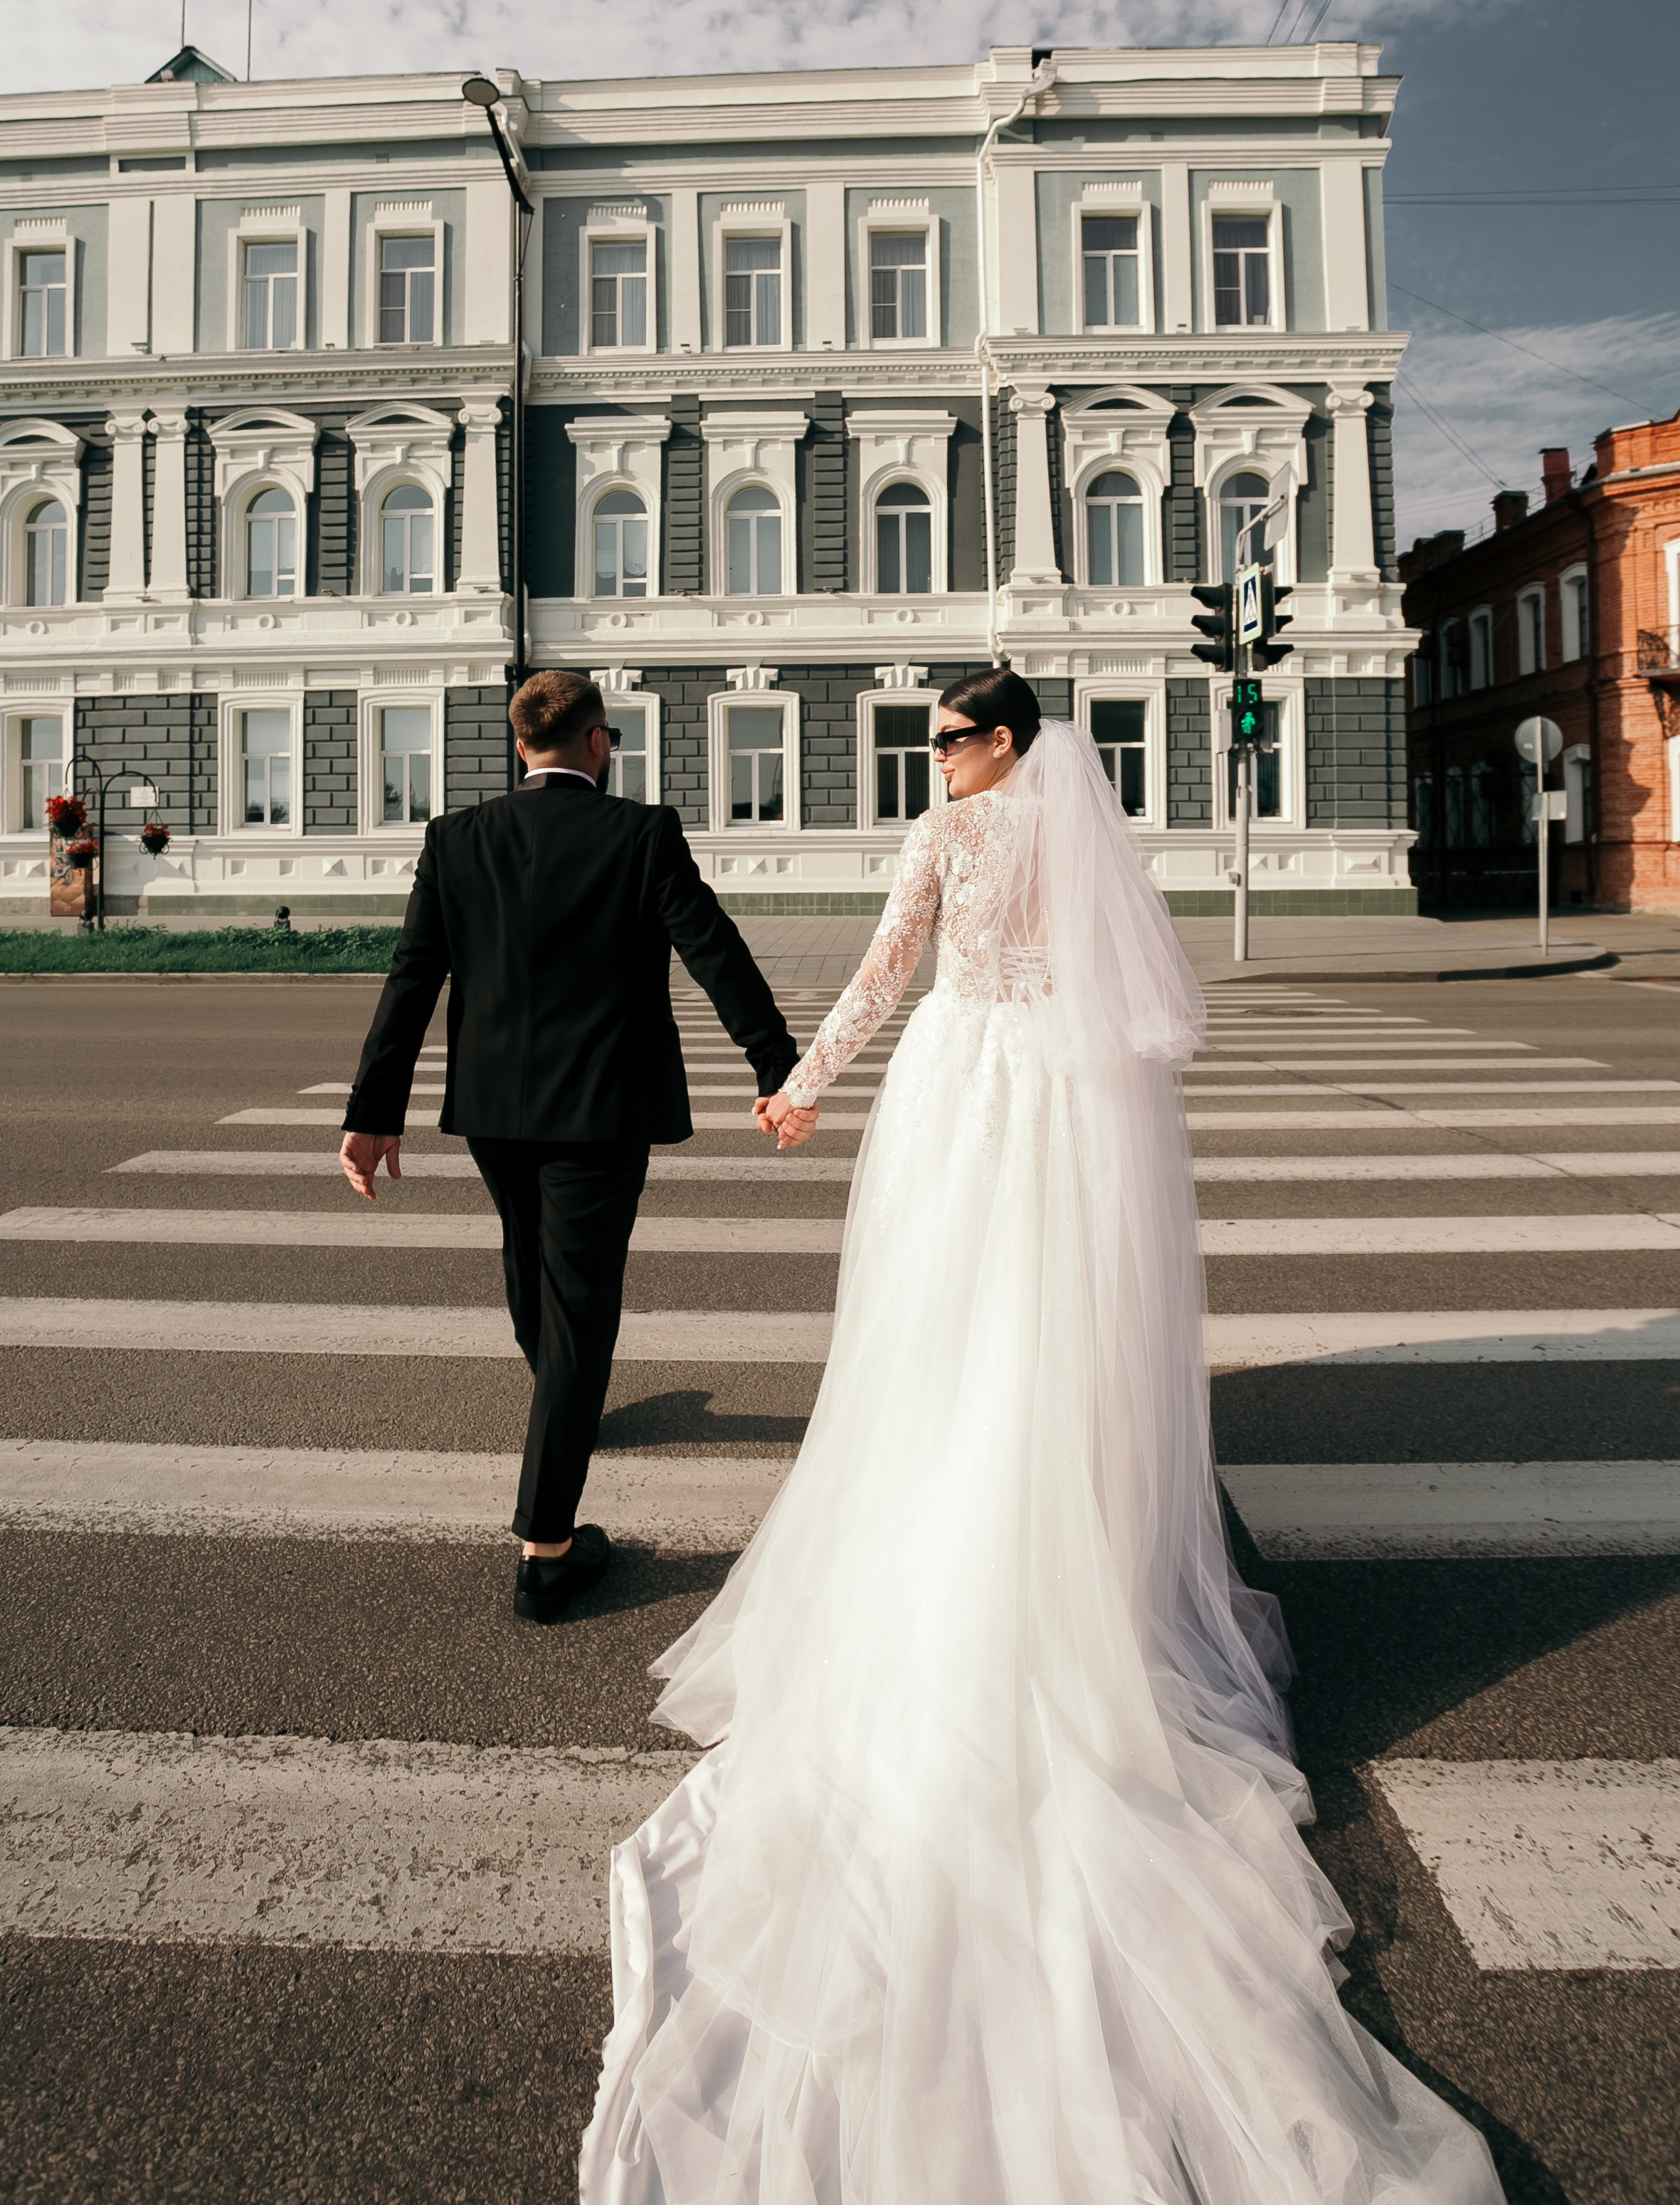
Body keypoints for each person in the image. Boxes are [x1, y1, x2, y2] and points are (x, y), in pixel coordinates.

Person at [580, 667, 1502, 2205]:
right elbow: (1133, 1006)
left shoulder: (951, 836)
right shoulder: (1083, 835)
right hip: (1061, 1112)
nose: (932, 757)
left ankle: (975, 1556)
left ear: (1001, 742)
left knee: (938, 1342)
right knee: (1045, 1341)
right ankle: (1069, 1552)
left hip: (962, 1101)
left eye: (949, 737)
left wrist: (801, 1085)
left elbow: (887, 972)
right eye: (933, 740)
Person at [338, 668, 799, 1624]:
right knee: (579, 1303)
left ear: (519, 747)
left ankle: (565, 1403)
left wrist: (372, 1109)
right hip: (601, 1107)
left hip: (496, 1109)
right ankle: (547, 1549)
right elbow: (713, 947)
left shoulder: (456, 837)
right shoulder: (640, 833)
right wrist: (774, 1062)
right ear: (601, 742)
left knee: (531, 1264)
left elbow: (413, 975)